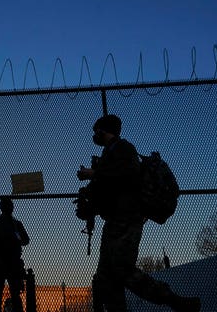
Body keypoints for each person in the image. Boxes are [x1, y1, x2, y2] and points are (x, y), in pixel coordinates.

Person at [76, 114, 201, 312]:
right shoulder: (109, 154)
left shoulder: (124, 148)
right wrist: (89, 201)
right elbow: (109, 189)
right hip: (114, 220)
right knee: (106, 276)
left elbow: (129, 176)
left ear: (104, 130)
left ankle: (174, 300)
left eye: (96, 130)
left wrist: (95, 174)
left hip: (127, 218)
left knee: (122, 269)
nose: (94, 135)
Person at [0, 198, 30, 312]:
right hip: (7, 262)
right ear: (8, 208)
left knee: (1, 294)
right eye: (10, 205)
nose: (11, 208)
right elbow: (26, 240)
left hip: (5, 262)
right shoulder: (14, 224)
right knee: (10, 294)